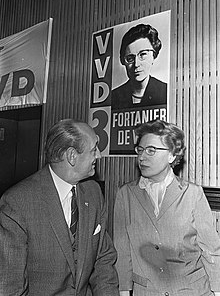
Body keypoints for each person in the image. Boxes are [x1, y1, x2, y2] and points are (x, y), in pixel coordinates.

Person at [0, 119, 119, 296]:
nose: (99, 156)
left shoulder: (94, 193)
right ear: (72, 156)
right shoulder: (17, 203)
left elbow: (103, 260)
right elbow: (11, 285)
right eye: (94, 150)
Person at [114, 119, 220, 296]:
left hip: (193, 291)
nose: (142, 157)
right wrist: (124, 291)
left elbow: (211, 250)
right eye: (140, 150)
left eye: (151, 150)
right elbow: (122, 252)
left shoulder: (193, 193)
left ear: (172, 155)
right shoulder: (126, 195)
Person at [111, 24, 167, 110]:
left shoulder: (165, 91)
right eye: (130, 58)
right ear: (123, 61)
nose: (136, 64)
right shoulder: (113, 96)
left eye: (143, 55)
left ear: (153, 56)